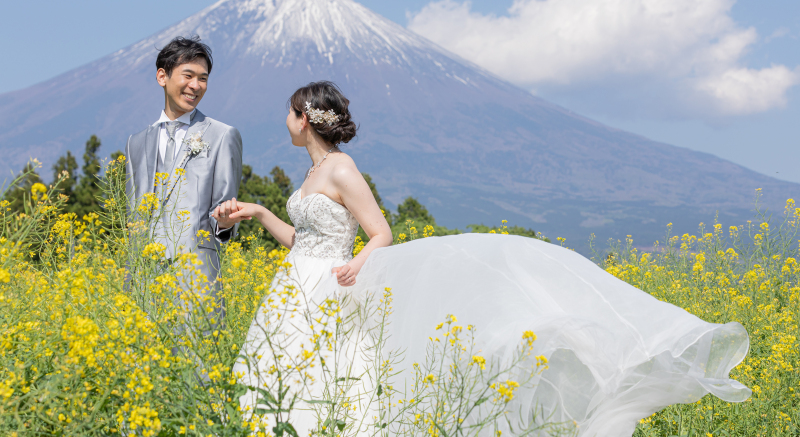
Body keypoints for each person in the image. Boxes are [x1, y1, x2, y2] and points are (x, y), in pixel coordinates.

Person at [214, 81, 750, 437]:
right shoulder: (308, 176)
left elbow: (381, 232)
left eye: (289, 112)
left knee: (327, 384)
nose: (284, 120)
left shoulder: (341, 169)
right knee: (279, 379)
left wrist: (361, 262)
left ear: (305, 118)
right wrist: (260, 213)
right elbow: (301, 241)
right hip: (292, 288)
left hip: (330, 289)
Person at [125, 35, 243, 326]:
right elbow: (132, 214)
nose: (195, 86)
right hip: (143, 280)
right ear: (162, 76)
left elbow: (225, 210)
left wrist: (227, 222)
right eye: (188, 75)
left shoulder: (222, 135)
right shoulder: (135, 143)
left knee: (197, 368)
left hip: (196, 278)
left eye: (203, 79)